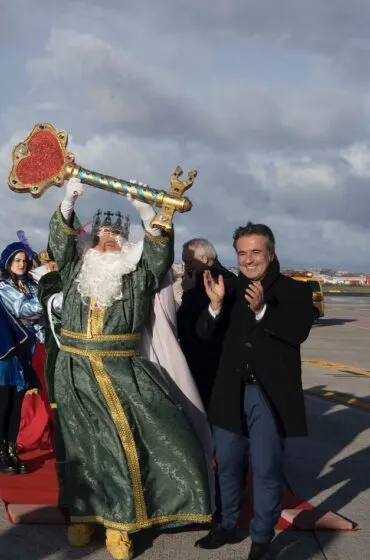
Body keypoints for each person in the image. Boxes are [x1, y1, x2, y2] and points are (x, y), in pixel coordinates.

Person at [46, 181, 212, 560]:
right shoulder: (75, 270)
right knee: (79, 448)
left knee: (123, 447)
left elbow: (158, 254)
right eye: (102, 236)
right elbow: (59, 243)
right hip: (73, 370)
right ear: (90, 243)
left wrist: (144, 211)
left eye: (116, 237)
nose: (108, 242)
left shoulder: (137, 278)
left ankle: (120, 526)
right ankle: (83, 516)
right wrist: (68, 199)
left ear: (126, 244)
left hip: (120, 372)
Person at [194, 223, 316, 560]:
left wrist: (263, 310)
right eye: (242, 253)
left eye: (256, 252)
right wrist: (215, 306)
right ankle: (227, 524)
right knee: (228, 462)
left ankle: (261, 537)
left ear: (271, 253)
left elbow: (297, 332)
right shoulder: (227, 289)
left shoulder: (295, 291)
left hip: (268, 394)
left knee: (266, 467)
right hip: (229, 393)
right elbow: (204, 334)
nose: (248, 260)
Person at [0, 240, 45, 475]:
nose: (21, 264)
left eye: (24, 260)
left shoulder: (32, 285)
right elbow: (24, 309)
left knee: (17, 406)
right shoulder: (2, 286)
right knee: (2, 404)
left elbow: (41, 319)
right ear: (8, 262)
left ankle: (11, 451)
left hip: (24, 352)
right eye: (17, 260)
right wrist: (49, 296)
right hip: (4, 352)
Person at [177, 238, 237, 409]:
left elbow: (188, 324)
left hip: (206, 362)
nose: (185, 266)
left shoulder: (211, 282)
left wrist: (187, 294)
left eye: (188, 261)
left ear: (203, 260)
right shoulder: (228, 278)